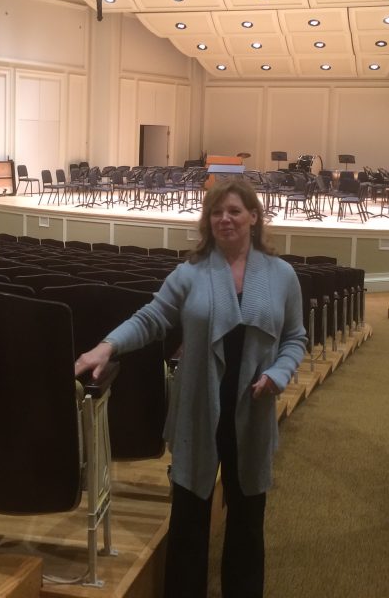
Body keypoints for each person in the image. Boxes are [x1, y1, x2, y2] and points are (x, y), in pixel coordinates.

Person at [75, 176, 308, 598]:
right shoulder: (191, 273)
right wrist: (106, 346)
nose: (225, 219)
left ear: (254, 217)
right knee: (188, 520)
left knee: (248, 519)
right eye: (217, 212)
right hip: (198, 409)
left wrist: (280, 373)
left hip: (253, 409)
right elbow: (151, 318)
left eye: (235, 211)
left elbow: (295, 338)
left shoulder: (282, 276)